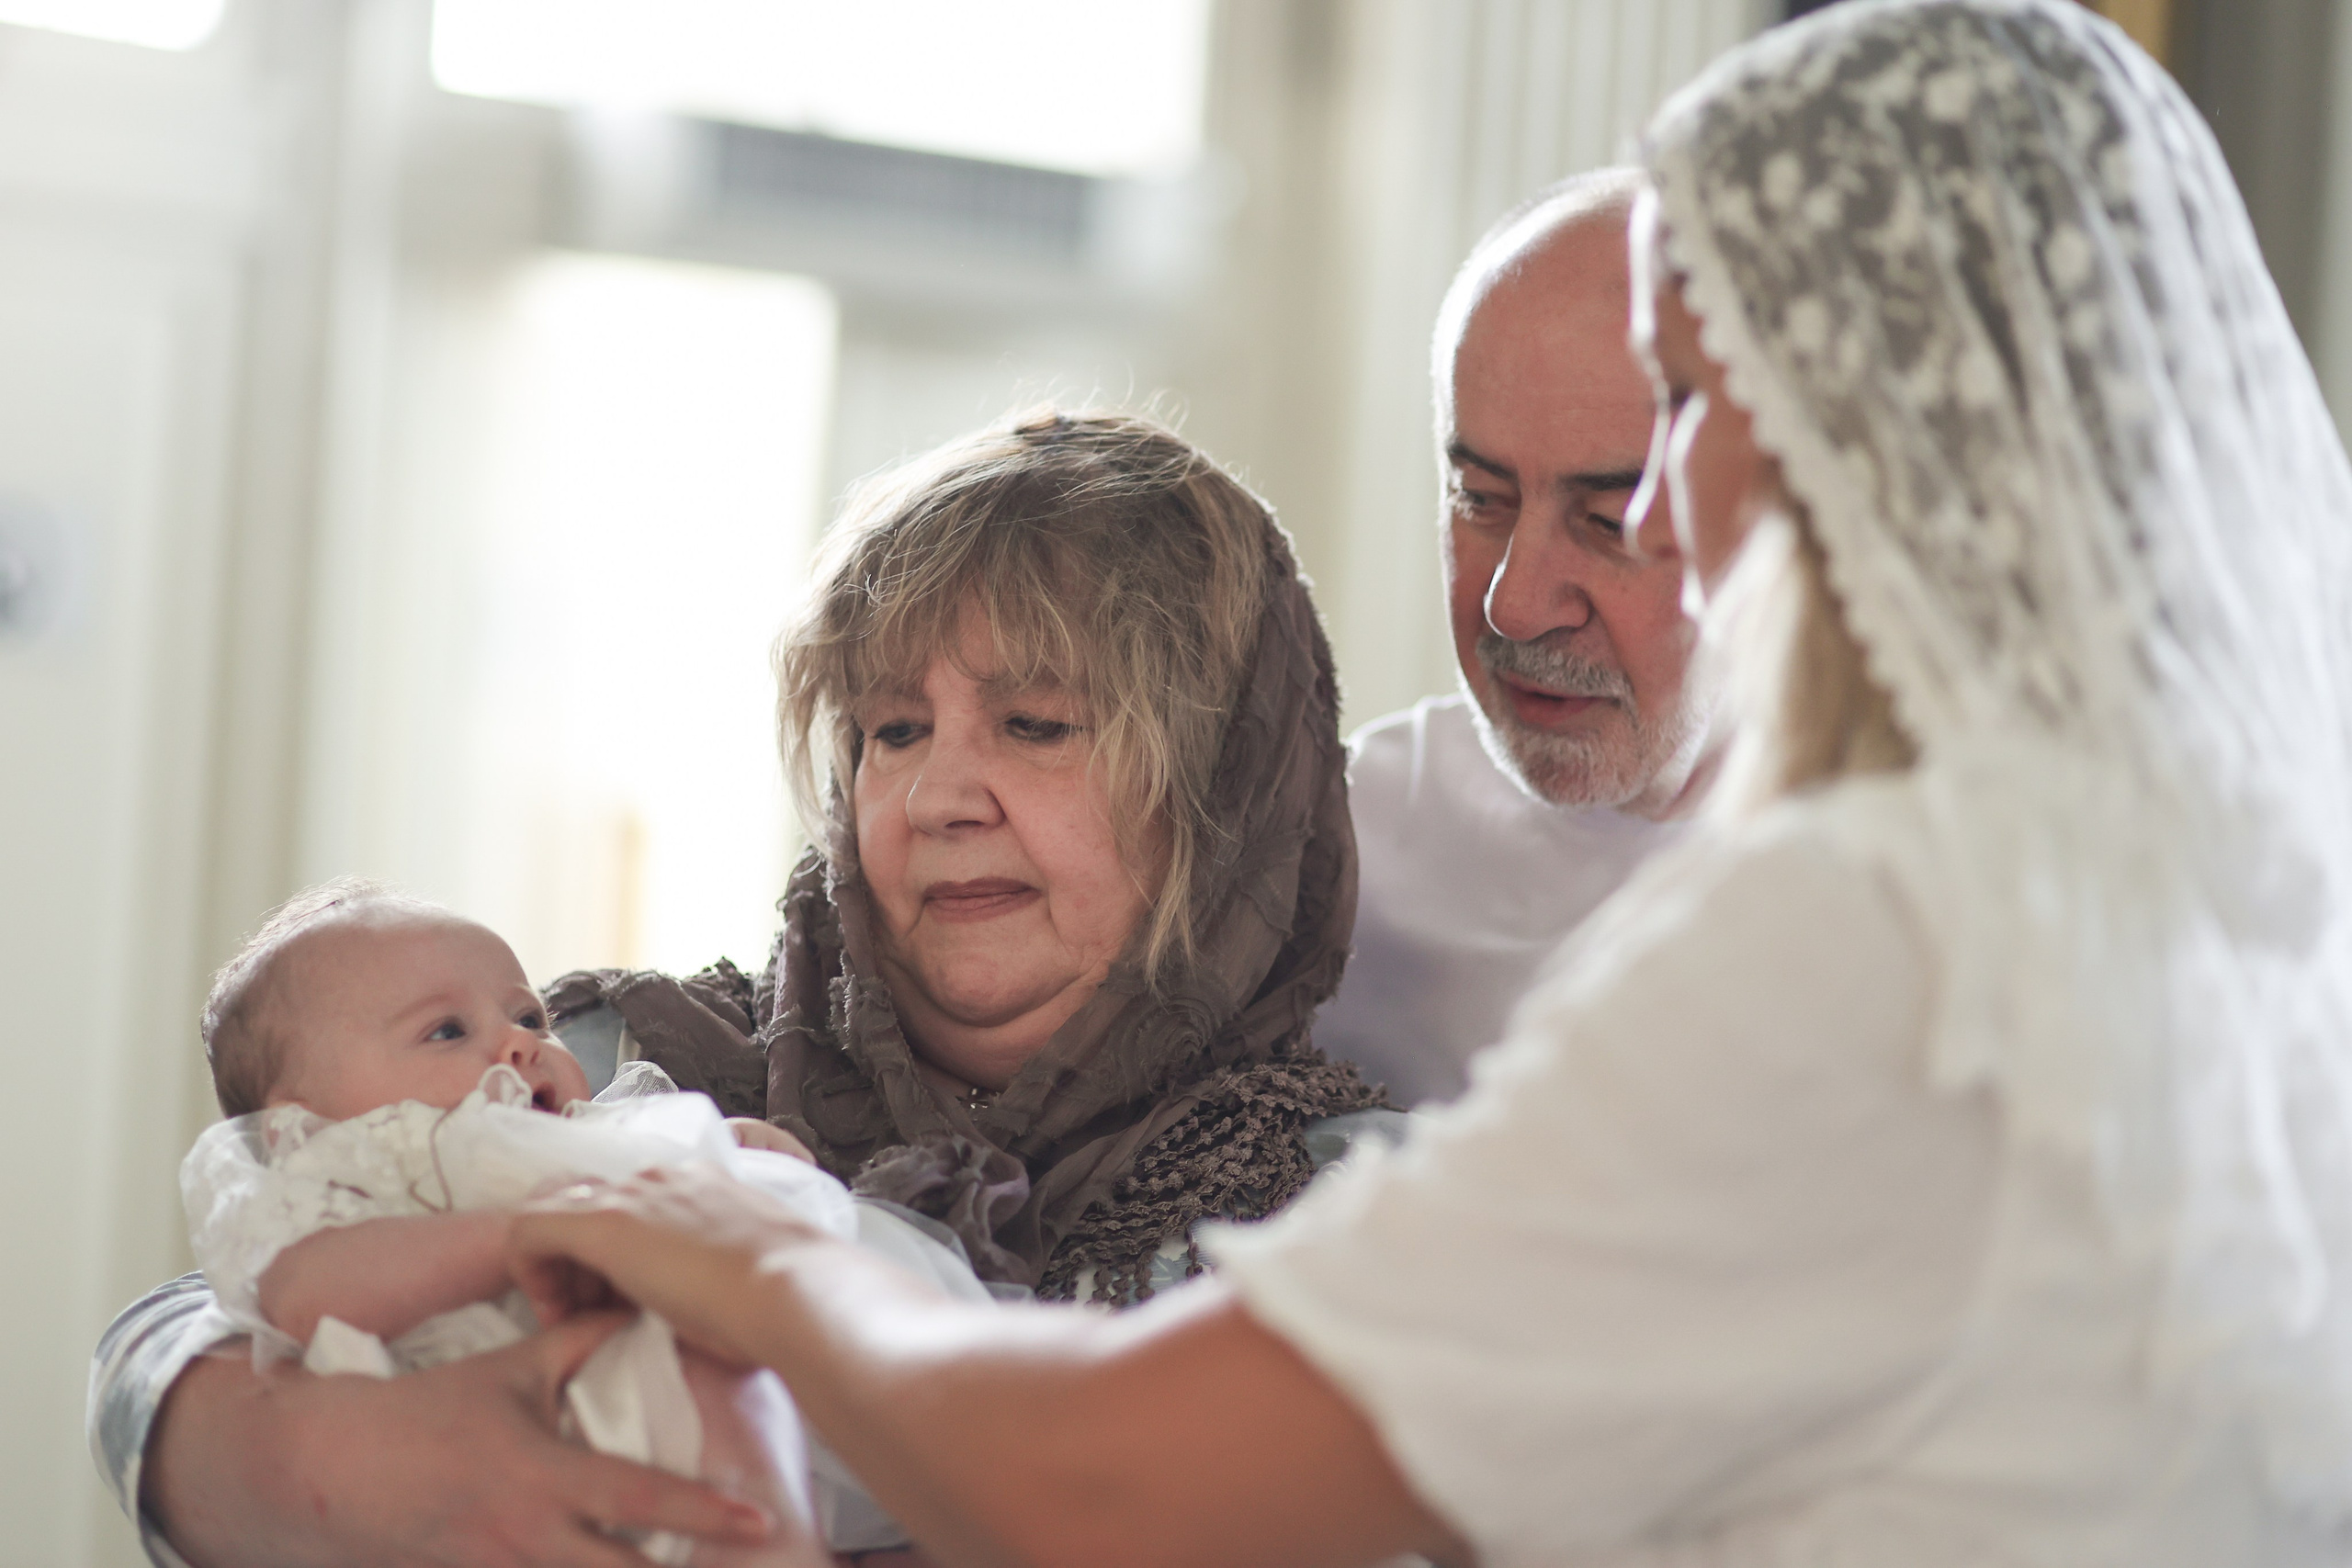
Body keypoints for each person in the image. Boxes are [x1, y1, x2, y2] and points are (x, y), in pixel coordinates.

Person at [501, 4, 2352, 1564]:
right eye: (1474, 490)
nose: (1534, 582)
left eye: (1668, 440)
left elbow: (1104, 1477)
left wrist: (772, 1257)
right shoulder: (2213, 888)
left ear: (1890, 447)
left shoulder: (1879, 924)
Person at [92, 411, 1386, 1565]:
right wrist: (263, 1452)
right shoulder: (587, 1063)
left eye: (1036, 723)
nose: (938, 798)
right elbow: (238, 1279)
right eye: (891, 729)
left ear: (1223, 789)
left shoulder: (1354, 1206)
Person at [173, 876, 991, 1565]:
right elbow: (308, 1296)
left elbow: (693, 1186)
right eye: (447, 1030)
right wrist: (520, 1234)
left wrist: (731, 1154)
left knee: (741, 1399)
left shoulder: (591, 1133)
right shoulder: (342, 1179)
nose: (519, 1045)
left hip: (664, 1393)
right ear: (299, 1120)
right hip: (482, 1449)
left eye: (528, 1018)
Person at [1315, 167, 1711, 1107]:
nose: (1514, 605)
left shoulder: (1935, 906)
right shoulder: (1334, 857)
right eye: (1480, 502)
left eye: (1609, 524)